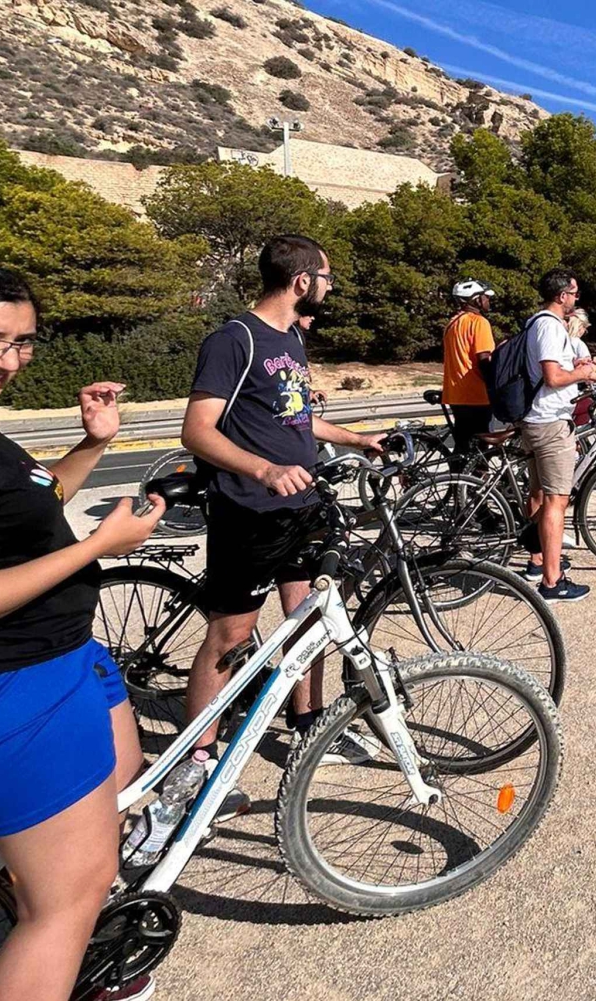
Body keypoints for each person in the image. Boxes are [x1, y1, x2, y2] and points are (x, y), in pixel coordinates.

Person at [0, 262, 166, 1001]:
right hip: (10, 684)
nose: (9, 360)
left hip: (58, 660)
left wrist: (92, 444)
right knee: (66, 903)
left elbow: (22, 507)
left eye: (23, 342)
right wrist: (94, 548)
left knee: (115, 800)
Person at [180, 235, 386, 780]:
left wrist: (354, 437)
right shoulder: (234, 340)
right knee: (229, 636)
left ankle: (308, 727)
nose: (330, 286)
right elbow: (196, 432)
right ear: (302, 282)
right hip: (249, 512)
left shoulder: (292, 339)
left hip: (302, 507)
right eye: (327, 277)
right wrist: (263, 470)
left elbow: (294, 419)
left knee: (311, 620)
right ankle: (194, 759)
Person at [517, 269, 595, 601]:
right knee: (556, 501)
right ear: (562, 295)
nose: (576, 298)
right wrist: (582, 371)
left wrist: (575, 366)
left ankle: (538, 560)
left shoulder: (535, 323)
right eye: (574, 293)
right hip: (550, 423)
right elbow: (552, 377)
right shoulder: (549, 326)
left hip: (535, 420)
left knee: (538, 493)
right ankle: (552, 581)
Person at [442, 279, 498, 454]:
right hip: (476, 395)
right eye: (486, 297)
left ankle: (457, 480)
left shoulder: (451, 324)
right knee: (478, 451)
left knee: (463, 446)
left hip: (456, 394)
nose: (488, 301)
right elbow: (484, 360)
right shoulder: (479, 322)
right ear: (476, 300)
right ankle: (476, 479)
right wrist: (495, 385)